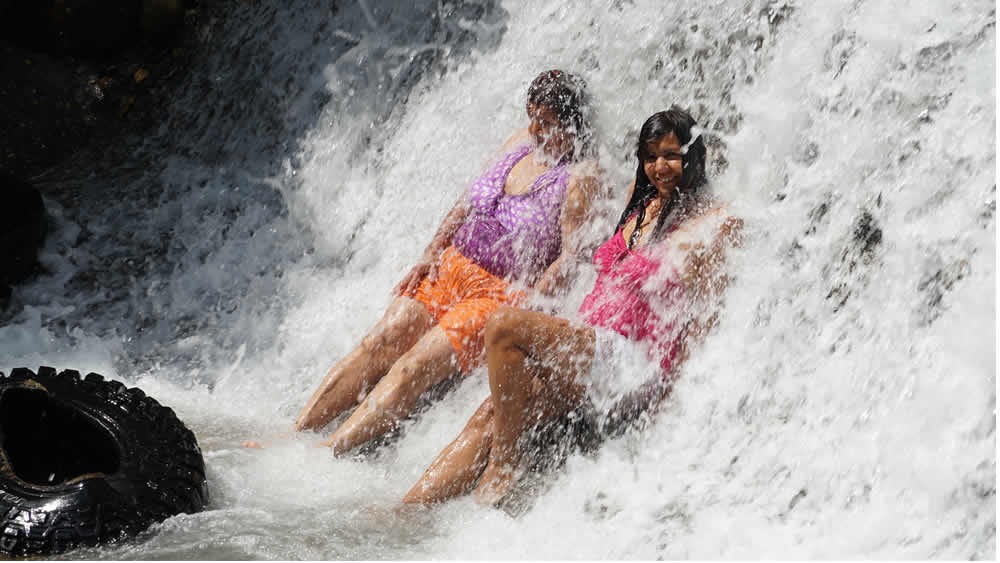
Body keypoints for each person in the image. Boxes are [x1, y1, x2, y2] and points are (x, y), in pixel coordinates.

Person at [244, 70, 601, 454]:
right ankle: (296, 432)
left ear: (571, 125)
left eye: (545, 122)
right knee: (379, 341)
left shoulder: (579, 176)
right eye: (531, 116)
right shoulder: (520, 143)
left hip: (497, 294)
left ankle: (329, 449)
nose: (533, 129)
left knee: (413, 365)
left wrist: (528, 309)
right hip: (450, 267)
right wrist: (431, 252)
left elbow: (570, 257)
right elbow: (467, 201)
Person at [401, 107, 743, 506]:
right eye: (651, 157)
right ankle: (409, 509)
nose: (659, 167)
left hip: (633, 365)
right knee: (491, 414)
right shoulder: (642, 202)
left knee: (504, 325)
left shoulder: (715, 221)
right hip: (594, 351)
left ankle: (505, 466)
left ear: (695, 153)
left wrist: (669, 401)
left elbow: (703, 314)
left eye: (671, 155)